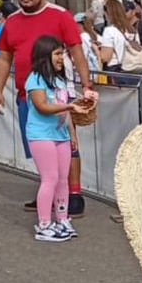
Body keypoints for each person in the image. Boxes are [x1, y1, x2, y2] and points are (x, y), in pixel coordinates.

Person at [0, 0, 95, 218]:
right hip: (27, 93)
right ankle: (48, 192)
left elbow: (77, 52)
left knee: (66, 143)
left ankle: (74, 193)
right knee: (41, 145)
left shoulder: (60, 16)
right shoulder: (12, 22)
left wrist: (86, 84)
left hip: (58, 91)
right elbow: (5, 57)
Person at [25, 36, 89, 242]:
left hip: (60, 135)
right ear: (46, 56)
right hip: (41, 135)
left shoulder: (60, 81)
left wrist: (72, 133)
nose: (63, 58)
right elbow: (42, 107)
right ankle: (44, 223)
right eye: (58, 54)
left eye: (63, 53)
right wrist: (69, 106)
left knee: (63, 179)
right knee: (50, 178)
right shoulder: (34, 79)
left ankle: (62, 218)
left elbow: (66, 111)